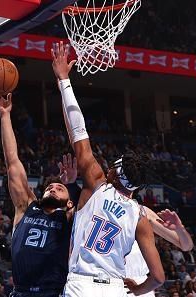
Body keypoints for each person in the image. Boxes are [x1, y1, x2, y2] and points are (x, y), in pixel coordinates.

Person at [52, 41, 165, 297]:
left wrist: (63, 81)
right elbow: (158, 277)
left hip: (81, 284)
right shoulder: (140, 217)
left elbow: (79, 132)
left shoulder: (96, 184)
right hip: (115, 289)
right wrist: (138, 290)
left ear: (115, 172)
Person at [0, 89, 75, 297]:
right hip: (21, 292)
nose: (53, 187)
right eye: (49, 187)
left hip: (53, 292)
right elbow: (12, 161)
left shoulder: (70, 219)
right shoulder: (28, 207)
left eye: (59, 188)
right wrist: (5, 115)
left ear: (69, 202)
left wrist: (70, 183)